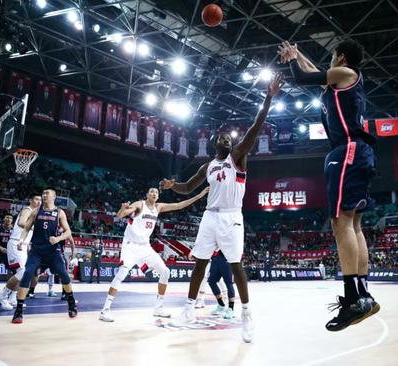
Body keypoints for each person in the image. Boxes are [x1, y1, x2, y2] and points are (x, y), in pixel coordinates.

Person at [159, 74, 284, 343]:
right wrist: (172, 185)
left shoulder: (238, 156)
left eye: (230, 138)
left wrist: (269, 97)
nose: (228, 139)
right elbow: (187, 188)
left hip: (231, 217)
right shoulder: (207, 166)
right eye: (224, 137)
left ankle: (247, 315)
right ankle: (189, 310)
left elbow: (256, 126)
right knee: (199, 264)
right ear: (215, 142)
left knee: (236, 265)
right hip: (209, 217)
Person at [278, 39, 379, 332]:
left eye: (333, 57)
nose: (330, 63)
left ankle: (352, 300)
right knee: (354, 225)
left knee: (341, 223)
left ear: (342, 58)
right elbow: (316, 73)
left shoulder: (346, 74)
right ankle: (363, 295)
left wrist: (292, 61)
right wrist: (298, 55)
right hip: (358, 152)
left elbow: (303, 76)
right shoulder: (340, 81)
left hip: (347, 151)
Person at [99, 186, 210, 322]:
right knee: (121, 274)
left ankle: (158, 307)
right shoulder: (140, 204)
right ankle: (105, 310)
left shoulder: (158, 207)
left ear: (158, 196)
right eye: (151, 191)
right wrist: (123, 208)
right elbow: (120, 215)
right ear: (147, 194)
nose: (154, 193)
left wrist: (199, 196)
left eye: (156, 192)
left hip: (145, 247)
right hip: (131, 245)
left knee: (165, 272)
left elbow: (179, 205)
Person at [11, 187, 77, 324]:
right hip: (37, 251)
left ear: (54, 197)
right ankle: (18, 311)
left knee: (64, 274)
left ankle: (71, 303)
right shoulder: (36, 211)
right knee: (27, 273)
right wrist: (22, 240)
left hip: (53, 251)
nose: (44, 195)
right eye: (43, 193)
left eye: (47, 193)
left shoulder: (60, 212)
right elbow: (26, 227)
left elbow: (68, 232)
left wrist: (58, 239)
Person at [0, 193, 42, 310]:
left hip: (23, 245)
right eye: (36, 199)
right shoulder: (27, 209)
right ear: (30, 200)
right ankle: (1, 296)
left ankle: (12, 298)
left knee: (22, 273)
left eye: (40, 200)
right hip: (16, 243)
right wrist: (36, 228)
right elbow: (21, 223)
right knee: (22, 272)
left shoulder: (35, 214)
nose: (39, 202)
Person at [208, 251, 236, 319]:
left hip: (226, 257)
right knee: (211, 281)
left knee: (228, 283)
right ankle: (221, 305)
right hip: (215, 257)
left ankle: (231, 309)